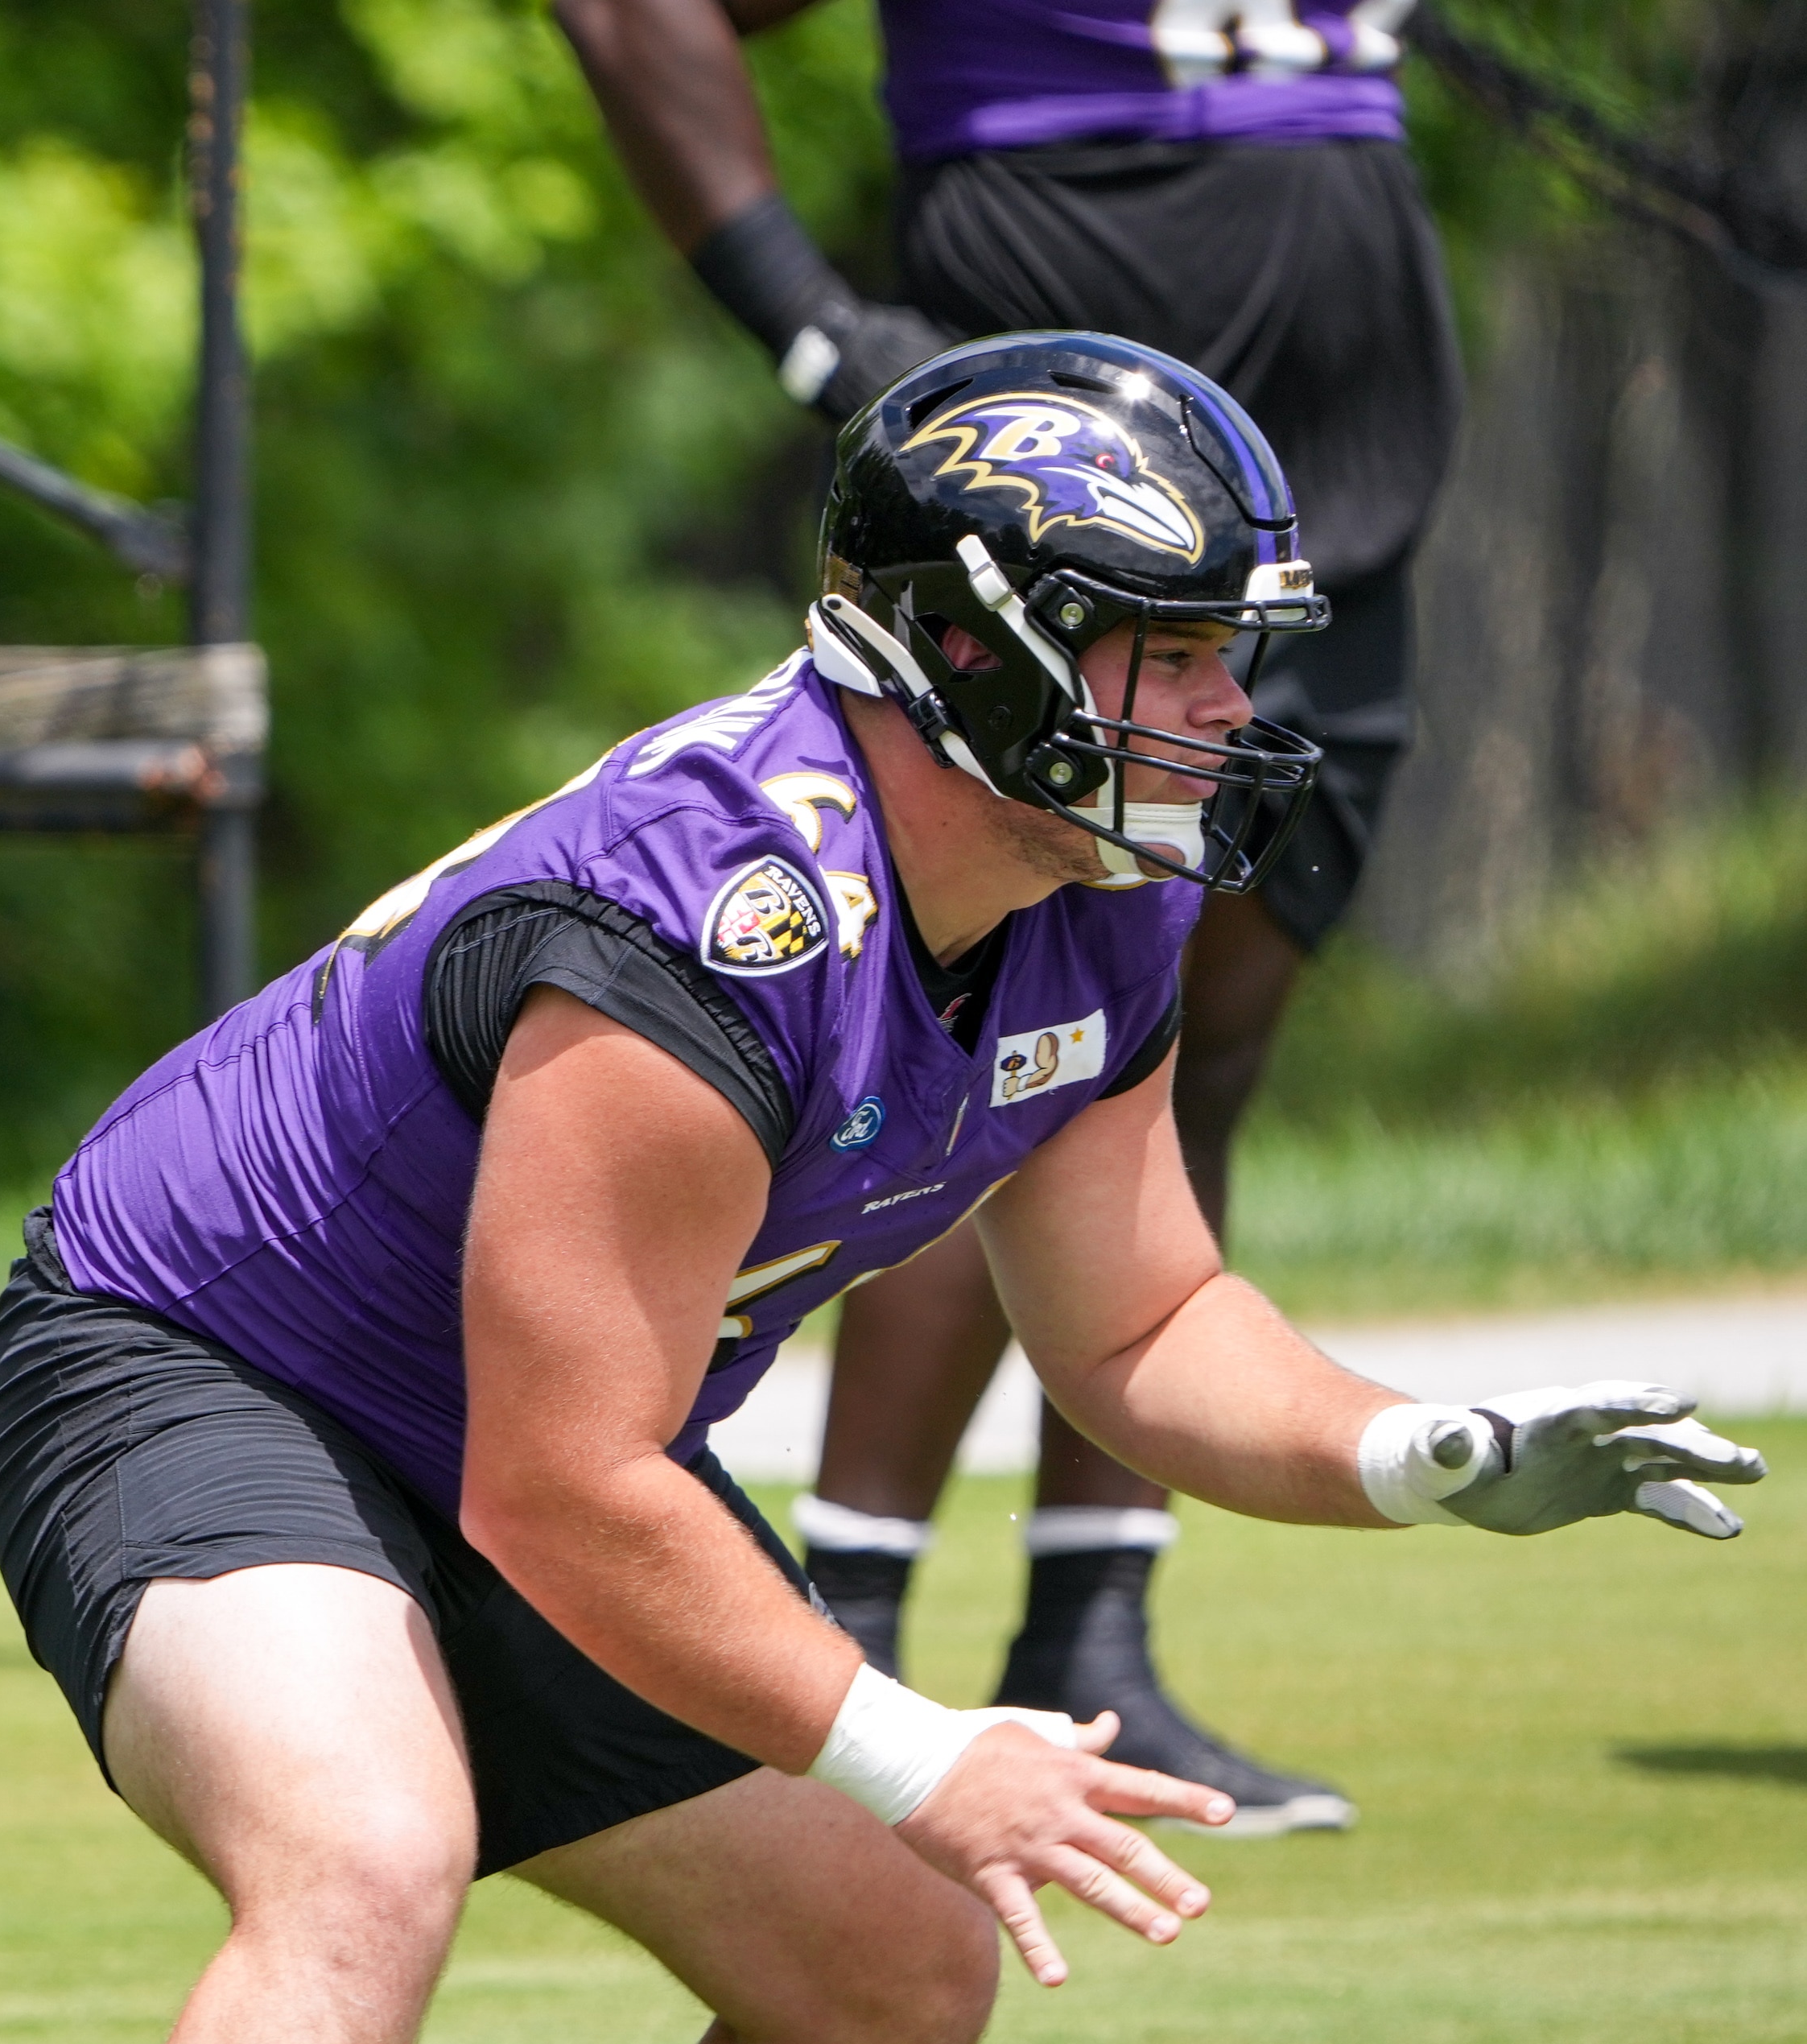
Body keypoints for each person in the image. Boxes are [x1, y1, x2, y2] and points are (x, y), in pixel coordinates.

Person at [0, 333, 1760, 2044]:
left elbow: (1140, 1321)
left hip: (525, 1435)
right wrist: (922, 1751)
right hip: (207, 1356)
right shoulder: (702, 919)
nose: (1226, 705)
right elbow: (566, 1483)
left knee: (890, 1964)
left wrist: (1418, 1451)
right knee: (365, 1848)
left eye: (1234, 650)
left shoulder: (1099, 888)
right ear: (968, 652)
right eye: (1173, 646)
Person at [552, 0, 1467, 1831]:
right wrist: (800, 310)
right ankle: (846, 1604)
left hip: (1336, 486)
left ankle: (1090, 1633)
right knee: (974, 1023)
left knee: (1174, 1052)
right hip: (1048, 453)